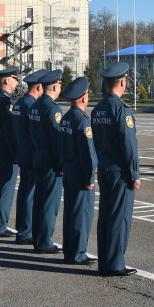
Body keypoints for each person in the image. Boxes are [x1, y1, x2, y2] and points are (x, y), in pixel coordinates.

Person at [92, 62, 140, 277]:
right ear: (122, 82)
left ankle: (104, 261)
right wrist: (135, 174)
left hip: (103, 167)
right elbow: (129, 146)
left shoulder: (97, 109)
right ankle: (115, 264)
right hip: (120, 171)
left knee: (106, 216)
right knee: (119, 217)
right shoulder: (121, 109)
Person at [60, 77, 98, 266]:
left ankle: (69, 250)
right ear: (84, 98)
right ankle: (77, 253)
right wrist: (90, 177)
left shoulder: (66, 117)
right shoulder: (83, 121)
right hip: (80, 174)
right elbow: (89, 154)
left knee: (70, 213)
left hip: (68, 171)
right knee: (82, 214)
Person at [30, 69, 64, 254]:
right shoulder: (53, 108)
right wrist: (61, 164)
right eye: (59, 85)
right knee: (49, 203)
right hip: (50, 160)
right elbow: (58, 139)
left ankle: (38, 238)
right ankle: (44, 242)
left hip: (38, 156)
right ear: (55, 87)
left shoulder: (35, 106)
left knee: (39, 200)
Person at [12, 69, 46, 245]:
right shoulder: (31, 105)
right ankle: (26, 231)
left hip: (22, 151)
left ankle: (22, 229)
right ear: (39, 87)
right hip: (31, 153)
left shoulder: (19, 103)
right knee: (30, 193)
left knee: (25, 191)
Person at [0, 67, 20, 237]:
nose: (16, 83)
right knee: (5, 189)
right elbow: (10, 131)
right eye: (15, 79)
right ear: (7, 80)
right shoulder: (6, 102)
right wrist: (15, 152)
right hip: (6, 150)